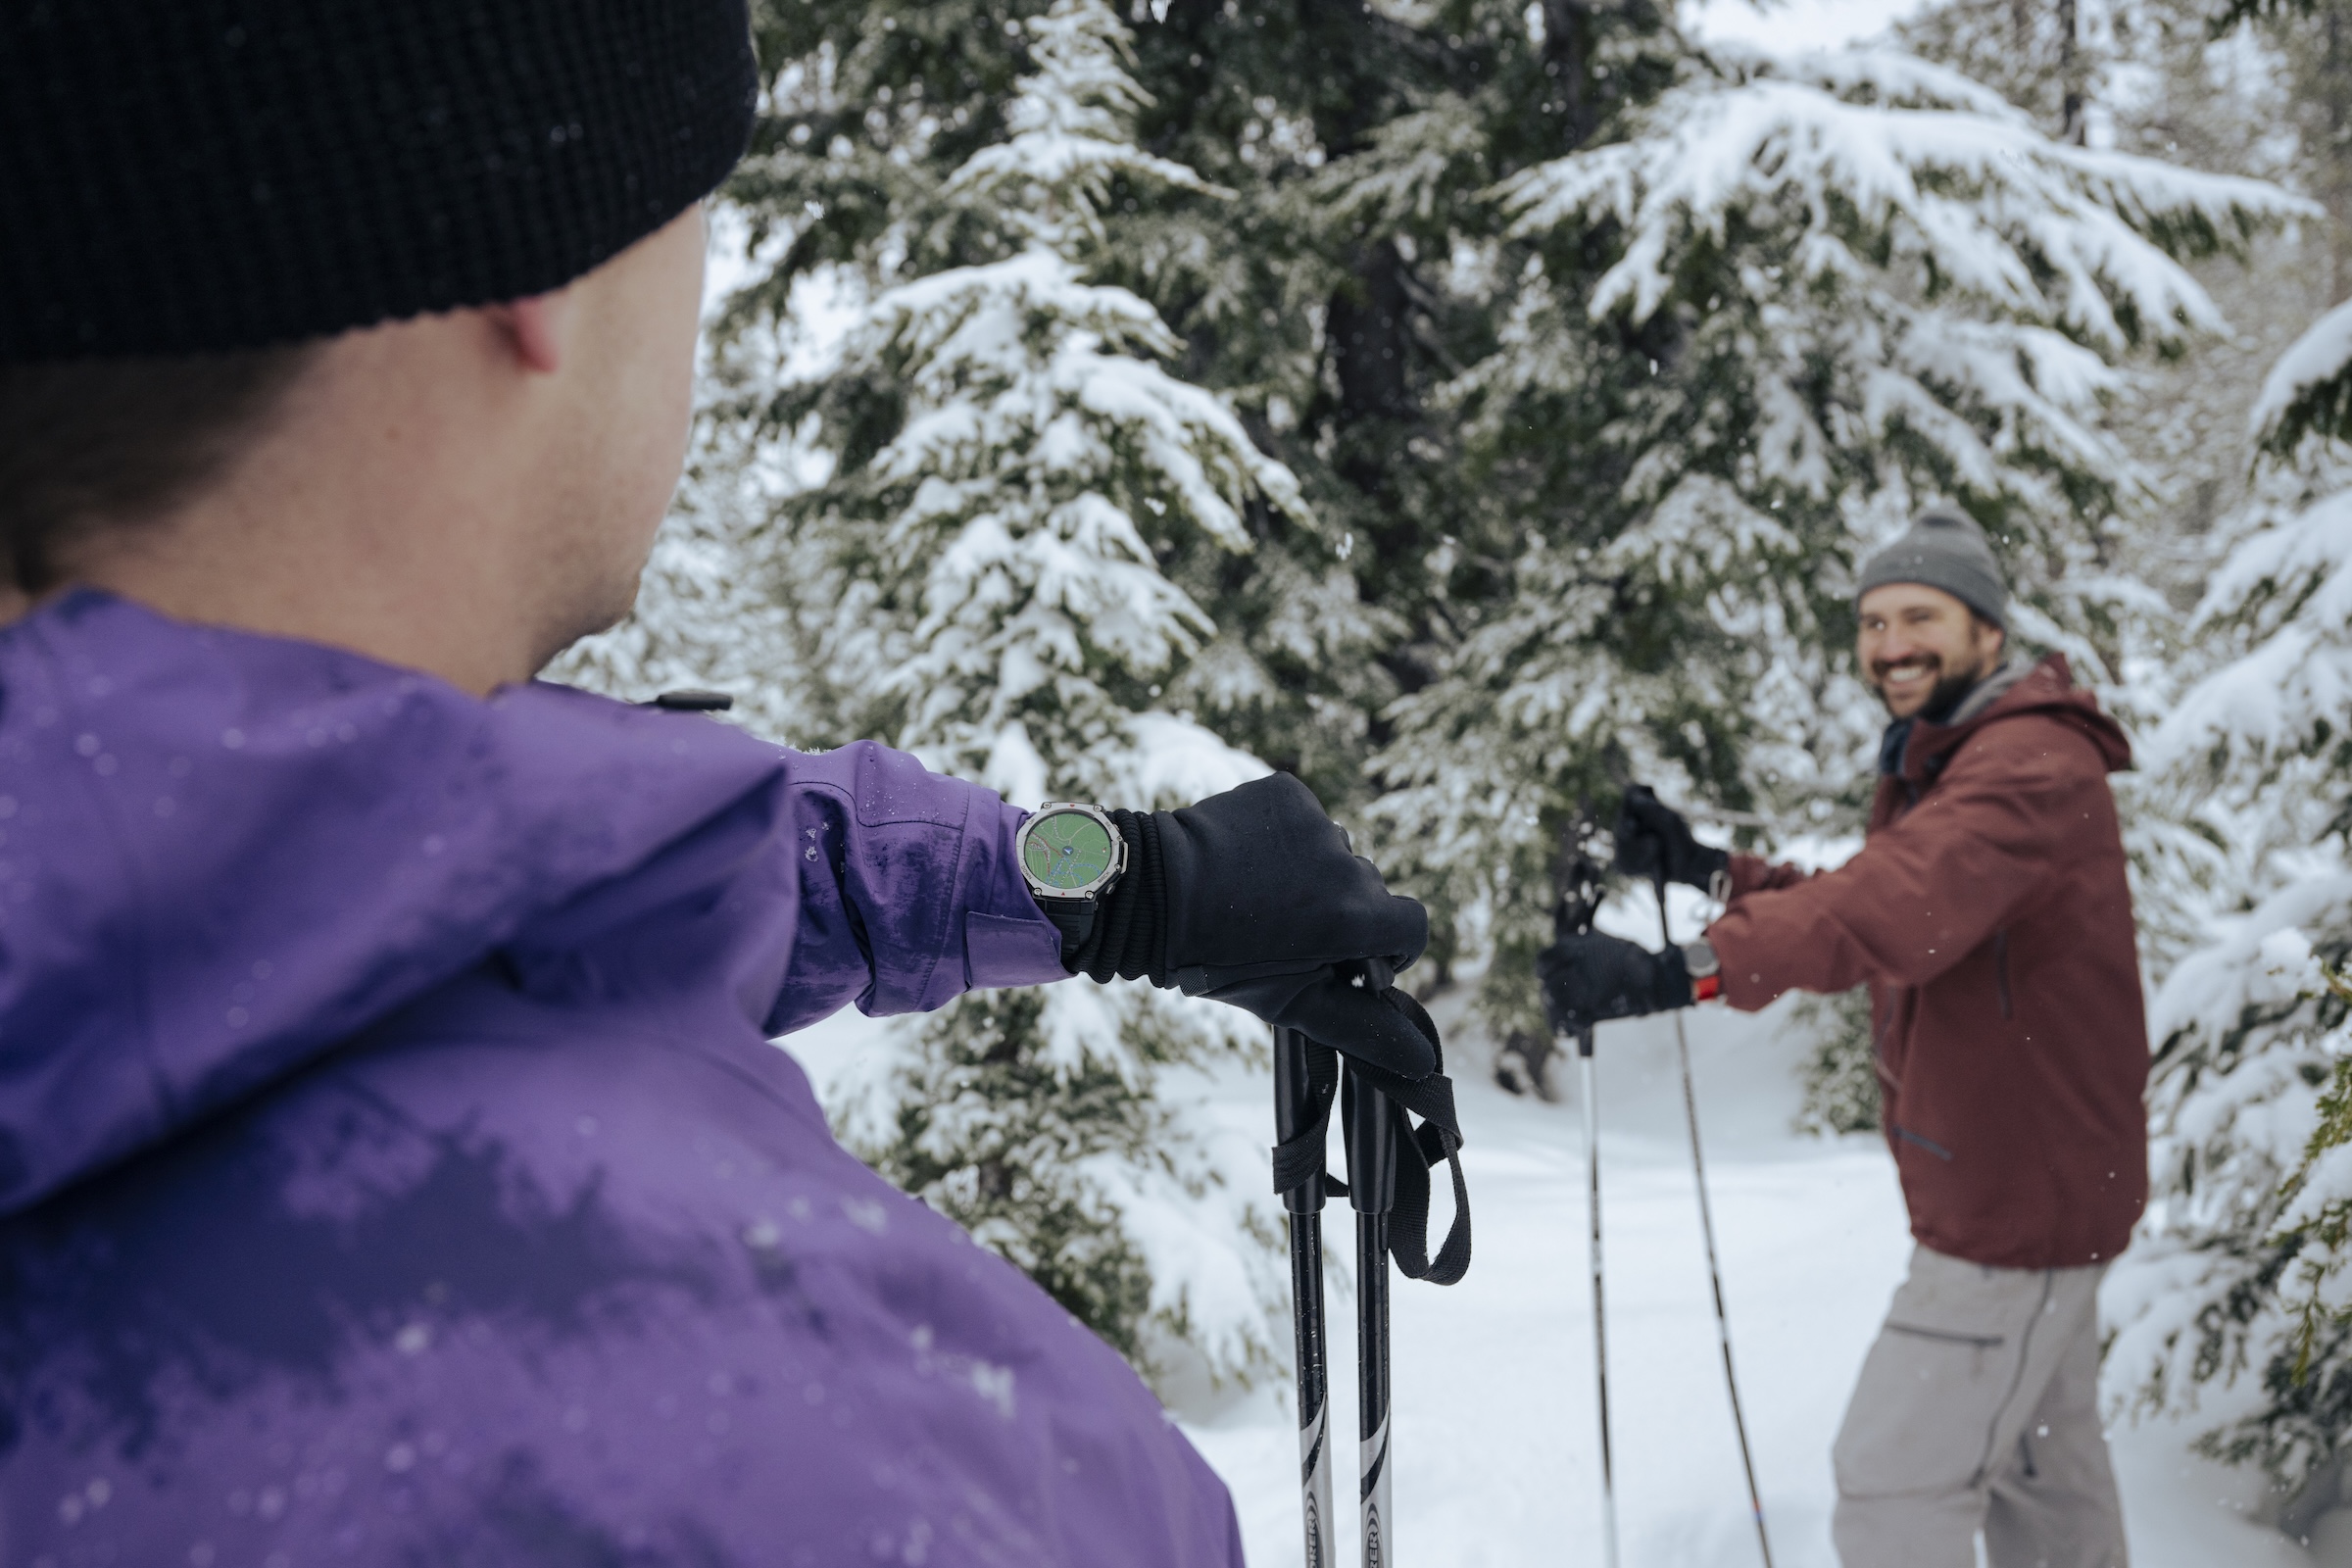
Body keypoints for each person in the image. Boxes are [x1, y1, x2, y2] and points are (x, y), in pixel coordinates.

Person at [0, 5, 1442, 1564]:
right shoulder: (852, 1461)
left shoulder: (164, 853)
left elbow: (489, 856)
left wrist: (1107, 885)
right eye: (700, 203)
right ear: (532, 267)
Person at [1540, 510, 2144, 1568]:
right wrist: (1709, 866)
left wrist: (1672, 972)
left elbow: (1895, 906)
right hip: (2037, 1197)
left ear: (1988, 635)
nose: (1891, 643)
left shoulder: (2025, 767)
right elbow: (1889, 893)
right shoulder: (1969, 757)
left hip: (2011, 1219)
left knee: (1891, 1487)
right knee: (2046, 1482)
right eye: (1873, 621)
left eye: (1921, 616)